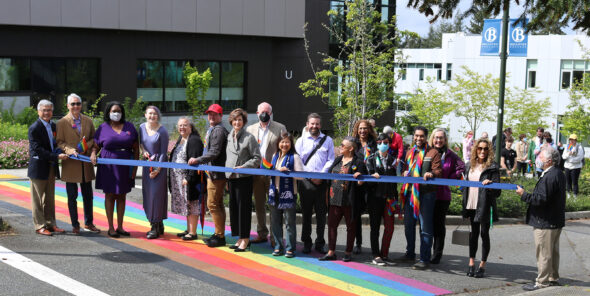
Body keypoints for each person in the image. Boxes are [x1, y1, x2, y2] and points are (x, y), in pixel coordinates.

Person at [516, 147, 566, 291]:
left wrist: (524, 194)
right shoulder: (558, 173)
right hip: (555, 220)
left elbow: (541, 199)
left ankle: (542, 281)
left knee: (544, 252)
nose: (538, 159)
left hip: (545, 221)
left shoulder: (550, 176)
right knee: (552, 251)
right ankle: (552, 277)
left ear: (549, 161)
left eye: (541, 157)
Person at [397, 126, 442, 270]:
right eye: (416, 136)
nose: (418, 138)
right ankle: (410, 253)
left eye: (422, 136)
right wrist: (404, 172)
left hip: (427, 194)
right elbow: (405, 169)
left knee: (425, 227)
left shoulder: (433, 152)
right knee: (408, 225)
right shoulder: (410, 152)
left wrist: (431, 174)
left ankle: (424, 259)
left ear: (426, 137)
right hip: (411, 193)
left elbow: (438, 170)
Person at [93, 101, 139, 238]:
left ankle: (120, 226)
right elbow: (95, 146)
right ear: (108, 113)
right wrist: (93, 153)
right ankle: (111, 227)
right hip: (108, 166)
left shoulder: (129, 126)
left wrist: (134, 168)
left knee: (122, 195)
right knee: (110, 195)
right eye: (113, 111)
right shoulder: (102, 128)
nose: (116, 113)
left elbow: (136, 148)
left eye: (119, 111)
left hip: (125, 166)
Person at [56, 93, 100, 235]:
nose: (76, 106)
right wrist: (70, 150)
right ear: (68, 106)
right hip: (71, 163)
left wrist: (88, 146)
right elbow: (59, 142)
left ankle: (89, 223)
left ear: (81, 105)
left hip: (85, 163)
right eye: (73, 104)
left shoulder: (88, 120)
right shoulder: (62, 122)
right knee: (72, 196)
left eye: (78, 103)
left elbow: (94, 138)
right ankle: (75, 224)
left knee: (88, 196)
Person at [245, 102, 287, 247]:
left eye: (267, 112)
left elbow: (285, 148)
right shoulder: (250, 129)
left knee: (274, 205)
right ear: (257, 113)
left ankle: (276, 237)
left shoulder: (280, 128)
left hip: (273, 172)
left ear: (271, 113)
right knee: (259, 204)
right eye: (262, 111)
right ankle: (262, 233)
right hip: (257, 172)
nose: (265, 114)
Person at [188, 104, 229, 248]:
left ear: (220, 116)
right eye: (209, 114)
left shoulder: (218, 130)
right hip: (213, 173)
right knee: (218, 204)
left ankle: (220, 236)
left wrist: (197, 160)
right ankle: (219, 233)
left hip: (216, 174)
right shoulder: (213, 129)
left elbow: (214, 152)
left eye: (214, 114)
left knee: (212, 204)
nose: (211, 117)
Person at [319, 137, 365, 262]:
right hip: (334, 199)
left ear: (351, 149)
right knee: (332, 226)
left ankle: (348, 252)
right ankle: (331, 251)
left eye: (343, 145)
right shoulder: (338, 159)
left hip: (349, 200)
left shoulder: (358, 162)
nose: (340, 146)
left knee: (351, 227)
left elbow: (361, 183)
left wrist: (359, 177)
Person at [295, 113, 335, 254]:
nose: (314, 126)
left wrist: (321, 175)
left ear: (320, 125)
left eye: (317, 124)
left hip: (322, 182)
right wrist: (311, 176)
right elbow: (297, 160)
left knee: (321, 215)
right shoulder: (300, 141)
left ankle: (320, 243)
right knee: (306, 214)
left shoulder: (328, 140)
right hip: (306, 182)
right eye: (312, 123)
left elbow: (331, 160)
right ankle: (306, 242)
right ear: (307, 124)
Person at [28, 100, 68, 236]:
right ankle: (40, 225)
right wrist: (56, 156)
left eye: (49, 110)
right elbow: (37, 150)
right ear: (39, 111)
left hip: (51, 167)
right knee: (37, 199)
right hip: (38, 167)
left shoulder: (53, 125)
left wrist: (60, 151)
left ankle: (51, 224)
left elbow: (54, 144)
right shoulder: (34, 128)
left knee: (50, 198)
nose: (47, 113)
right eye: (44, 110)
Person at [462, 138, 501, 278]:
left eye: (485, 149)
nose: (482, 151)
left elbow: (498, 192)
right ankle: (471, 263)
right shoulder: (469, 165)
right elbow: (465, 185)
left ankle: (482, 265)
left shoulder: (492, 167)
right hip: (471, 203)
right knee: (473, 234)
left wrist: (490, 184)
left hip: (484, 205)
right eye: (480, 148)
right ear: (475, 150)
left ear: (489, 150)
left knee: (484, 234)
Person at [225, 108, 261, 252]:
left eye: (240, 120)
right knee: (234, 209)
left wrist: (244, 167)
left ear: (244, 122)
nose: (237, 122)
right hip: (231, 177)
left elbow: (257, 158)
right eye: (235, 120)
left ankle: (245, 239)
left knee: (243, 209)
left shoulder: (249, 138)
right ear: (231, 122)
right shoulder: (229, 135)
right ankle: (240, 237)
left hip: (244, 178)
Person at [429, 128, 465, 264]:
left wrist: (451, 177)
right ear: (432, 139)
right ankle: (425, 252)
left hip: (442, 196)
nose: (438, 140)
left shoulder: (451, 155)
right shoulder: (427, 152)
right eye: (436, 137)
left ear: (445, 140)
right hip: (427, 193)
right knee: (426, 226)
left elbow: (462, 167)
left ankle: (437, 254)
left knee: (438, 226)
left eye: (441, 138)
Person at [268, 132, 303, 258]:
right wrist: (277, 170)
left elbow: (301, 176)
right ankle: (278, 246)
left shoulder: (295, 157)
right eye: (282, 142)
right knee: (275, 222)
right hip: (274, 193)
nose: (284, 144)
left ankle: (290, 248)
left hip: (288, 194)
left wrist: (288, 172)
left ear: (291, 144)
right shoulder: (274, 155)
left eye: (287, 142)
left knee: (289, 223)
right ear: (278, 143)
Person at [365, 133, 398, 265]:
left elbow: (395, 180)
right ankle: (375, 254)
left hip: (390, 198)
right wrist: (372, 176)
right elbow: (367, 179)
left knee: (390, 227)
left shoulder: (393, 160)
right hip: (375, 198)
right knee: (375, 227)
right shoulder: (371, 159)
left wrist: (395, 198)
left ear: (389, 144)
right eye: (379, 143)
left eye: (385, 142)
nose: (382, 145)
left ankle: (385, 253)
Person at [169, 117, 204, 241]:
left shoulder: (194, 140)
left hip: (188, 180)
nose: (182, 128)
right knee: (186, 205)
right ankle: (188, 229)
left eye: (184, 125)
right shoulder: (181, 139)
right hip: (179, 180)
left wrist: (189, 178)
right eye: (180, 126)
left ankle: (193, 232)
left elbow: (195, 162)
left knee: (192, 204)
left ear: (190, 127)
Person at [139, 106, 169, 239]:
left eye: (155, 114)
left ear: (158, 116)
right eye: (150, 113)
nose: (152, 116)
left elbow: (163, 153)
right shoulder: (141, 127)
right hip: (147, 165)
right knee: (148, 195)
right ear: (145, 115)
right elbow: (140, 144)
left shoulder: (163, 131)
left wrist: (158, 170)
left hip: (159, 166)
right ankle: (158, 223)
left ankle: (155, 227)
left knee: (156, 196)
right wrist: (143, 151)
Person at [351, 119, 377, 254]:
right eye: (360, 128)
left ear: (369, 129)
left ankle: (374, 246)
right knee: (356, 215)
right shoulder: (353, 144)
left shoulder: (375, 144)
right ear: (357, 129)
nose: (362, 131)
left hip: (371, 184)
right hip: (357, 184)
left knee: (373, 215)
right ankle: (358, 243)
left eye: (365, 128)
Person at [562, 134, 584, 199]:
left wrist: (571, 160)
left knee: (575, 182)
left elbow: (580, 158)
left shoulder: (579, 147)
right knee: (567, 181)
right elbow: (563, 156)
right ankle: (568, 194)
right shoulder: (568, 146)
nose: (571, 141)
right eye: (570, 139)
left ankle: (575, 196)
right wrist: (569, 154)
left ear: (575, 140)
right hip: (567, 166)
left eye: (572, 139)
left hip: (576, 167)